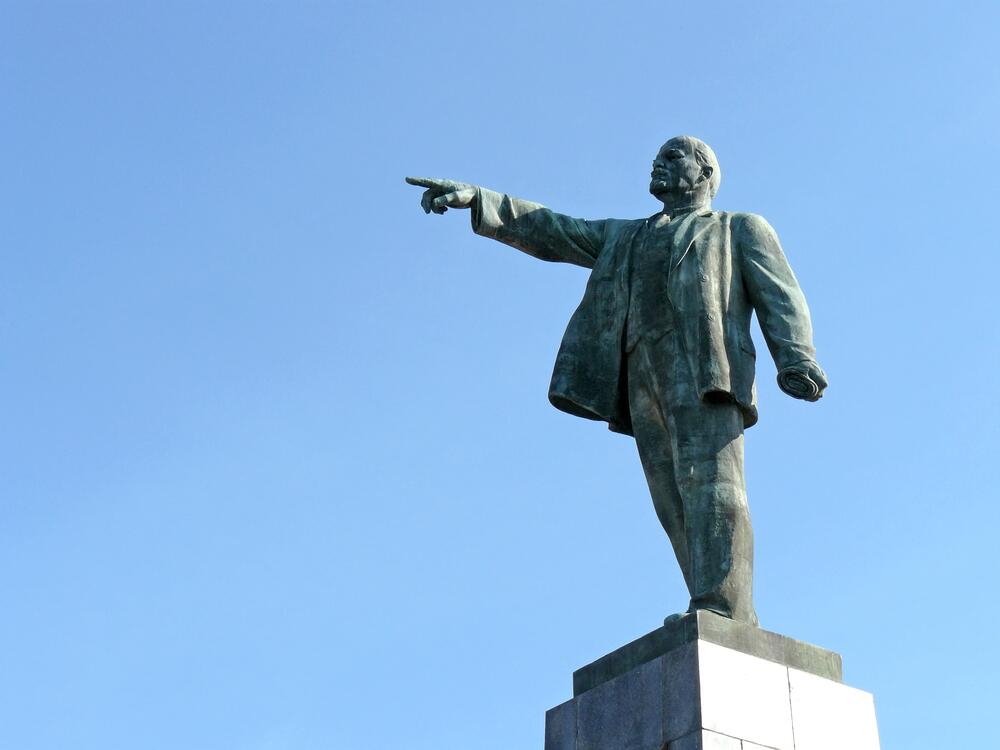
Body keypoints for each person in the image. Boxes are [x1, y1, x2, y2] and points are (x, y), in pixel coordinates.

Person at [406, 135, 826, 626]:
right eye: (658, 157)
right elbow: (553, 229)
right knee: (671, 498)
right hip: (641, 372)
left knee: (713, 485)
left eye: (672, 156)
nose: (657, 163)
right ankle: (707, 601)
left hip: (705, 371)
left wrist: (797, 357)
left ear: (705, 172)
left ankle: (726, 609)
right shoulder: (625, 237)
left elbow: (780, 293)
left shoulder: (738, 228)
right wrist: (480, 199)